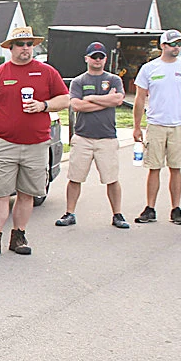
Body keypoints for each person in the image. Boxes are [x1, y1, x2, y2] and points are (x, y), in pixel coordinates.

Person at [0, 25, 69, 257]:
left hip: (36, 144)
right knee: (1, 193)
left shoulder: (47, 72)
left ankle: (18, 235)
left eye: (29, 44)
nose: (25, 48)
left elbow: (65, 99)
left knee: (27, 193)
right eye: (20, 44)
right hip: (4, 144)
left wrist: (44, 105)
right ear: (11, 48)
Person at [131, 29, 181, 225]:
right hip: (155, 124)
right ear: (162, 46)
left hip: (179, 125)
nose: (176, 47)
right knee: (154, 168)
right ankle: (150, 208)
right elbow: (140, 98)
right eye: (172, 44)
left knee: (176, 168)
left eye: (179, 43)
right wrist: (137, 126)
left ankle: (176, 209)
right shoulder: (149, 68)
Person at [57, 42, 129, 229]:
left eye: (101, 57)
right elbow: (77, 105)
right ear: (86, 58)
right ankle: (69, 212)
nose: (97, 60)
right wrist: (106, 101)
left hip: (107, 137)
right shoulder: (79, 81)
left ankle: (117, 214)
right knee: (75, 177)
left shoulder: (114, 80)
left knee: (111, 178)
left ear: (105, 59)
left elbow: (119, 99)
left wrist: (91, 98)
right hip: (83, 137)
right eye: (94, 56)